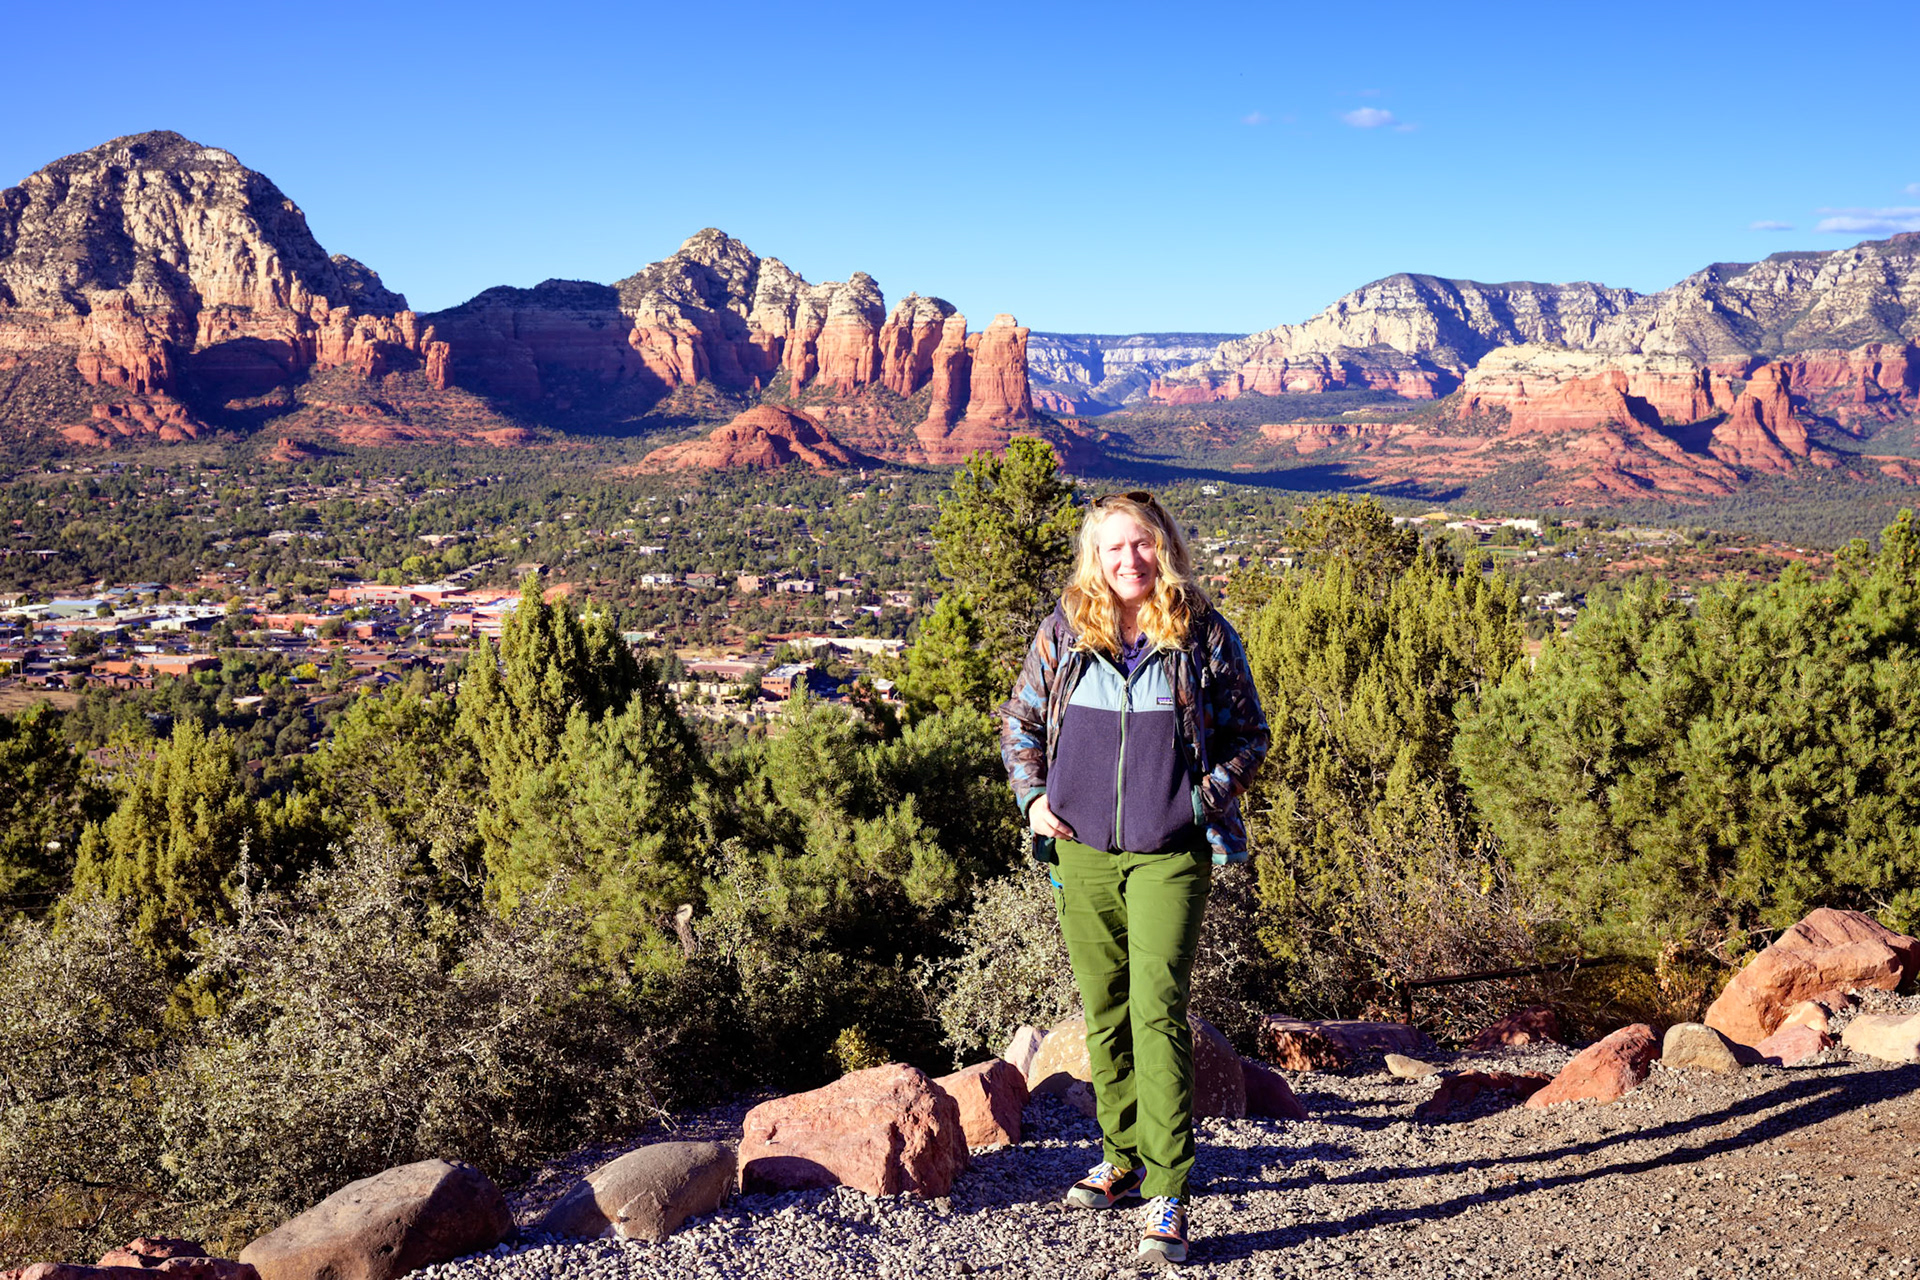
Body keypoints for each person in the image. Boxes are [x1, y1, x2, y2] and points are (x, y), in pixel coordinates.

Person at [998, 489, 1269, 1265]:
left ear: (1166, 548)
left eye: (1142, 545)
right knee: (1104, 1008)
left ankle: (1168, 1190)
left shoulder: (1203, 635)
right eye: (1114, 548)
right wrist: (1032, 798)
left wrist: (1199, 798)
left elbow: (1250, 733)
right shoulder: (1064, 631)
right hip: (1080, 851)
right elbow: (1021, 722)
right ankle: (1119, 1158)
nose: (1129, 560)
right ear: (1095, 555)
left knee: (1156, 1009)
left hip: (1171, 852)